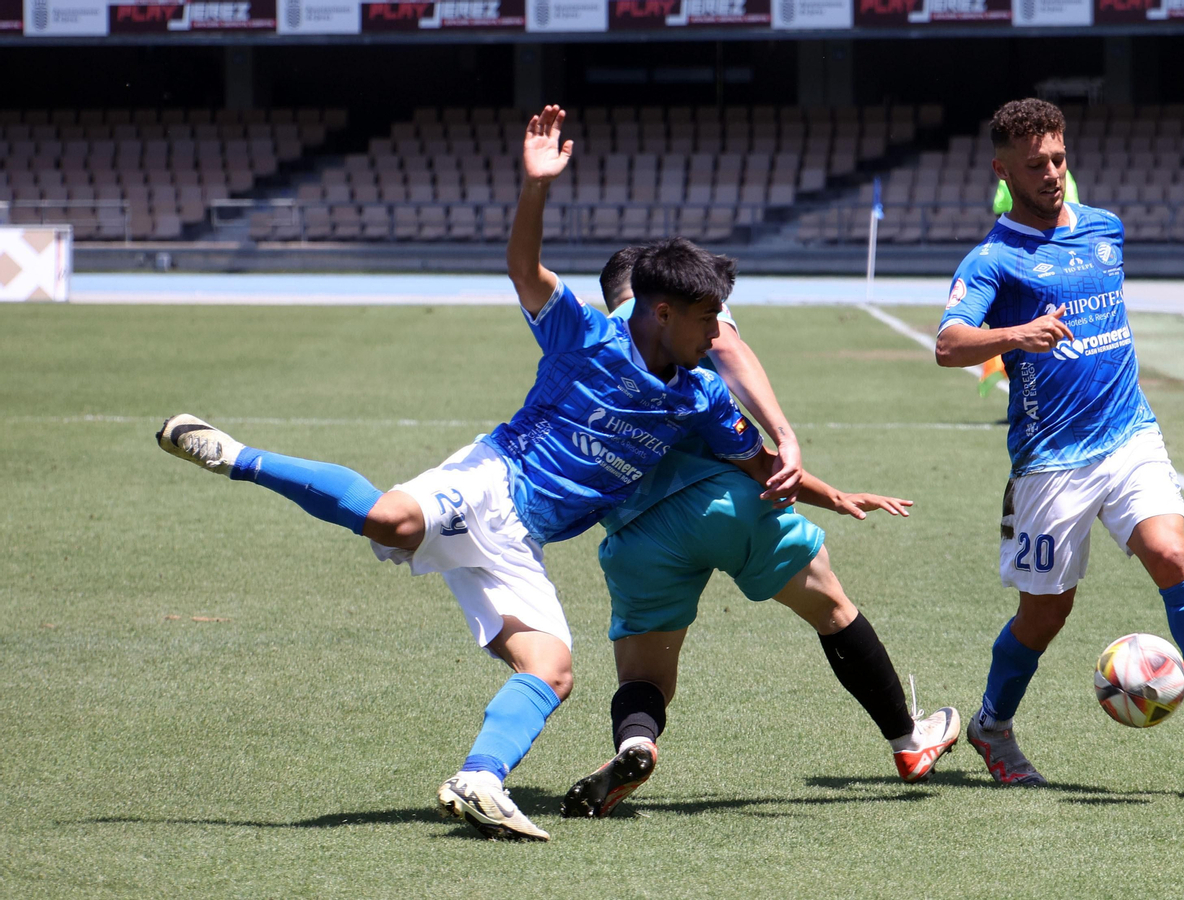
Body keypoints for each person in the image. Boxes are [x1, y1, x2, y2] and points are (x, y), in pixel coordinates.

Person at [154, 106, 802, 841]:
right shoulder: (585, 336)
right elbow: (525, 270)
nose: (719, 334)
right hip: (494, 478)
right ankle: (239, 457)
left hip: (521, 544)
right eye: (708, 319)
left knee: (553, 670)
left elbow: (760, 464)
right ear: (661, 311)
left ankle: (479, 779)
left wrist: (819, 483)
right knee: (391, 519)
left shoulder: (701, 396)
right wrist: (536, 188)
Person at [558, 248, 960, 819]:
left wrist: (831, 492)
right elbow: (750, 432)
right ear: (660, 302)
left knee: (645, 676)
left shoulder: (592, 349)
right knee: (833, 610)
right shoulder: (692, 334)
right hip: (728, 504)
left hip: (635, 534)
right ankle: (909, 741)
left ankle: (636, 745)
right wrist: (814, 473)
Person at [935, 98, 1184, 786]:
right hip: (1051, 461)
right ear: (1003, 170)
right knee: (1047, 613)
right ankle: (992, 726)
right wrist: (1017, 335)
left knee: (1170, 550)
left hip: (1129, 434)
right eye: (1034, 164)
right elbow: (949, 344)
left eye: (1059, 160)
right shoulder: (992, 261)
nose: (1050, 173)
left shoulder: (1106, 230)